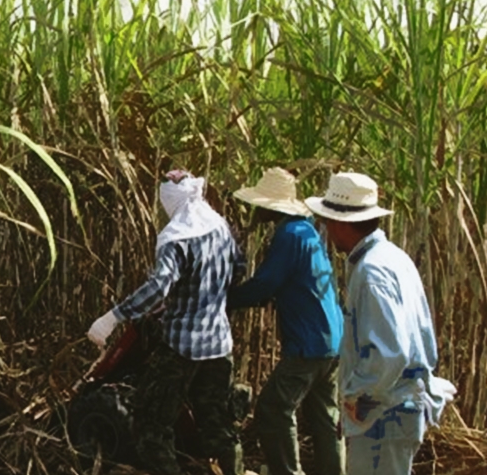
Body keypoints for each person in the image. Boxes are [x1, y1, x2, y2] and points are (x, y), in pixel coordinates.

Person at [85, 169, 245, 475]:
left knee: (151, 427)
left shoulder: (177, 238)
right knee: (218, 426)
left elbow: (159, 286)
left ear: (170, 203)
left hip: (183, 347)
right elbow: (238, 268)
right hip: (219, 343)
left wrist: (111, 318)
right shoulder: (220, 227)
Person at [304, 173, 456, 474]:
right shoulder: (393, 258)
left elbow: (390, 354)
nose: (328, 231)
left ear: (341, 224)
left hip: (385, 414)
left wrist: (357, 406)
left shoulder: (372, 272)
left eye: (329, 222)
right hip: (395, 410)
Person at [226, 167, 345, 475]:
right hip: (331, 340)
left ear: (270, 207)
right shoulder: (307, 231)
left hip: (308, 343)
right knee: (323, 417)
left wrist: (227, 300)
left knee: (273, 408)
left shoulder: (290, 235)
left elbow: (267, 283)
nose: (256, 209)